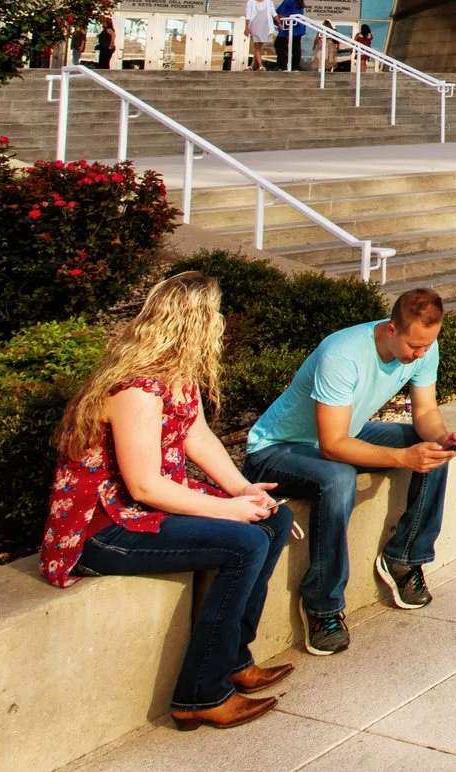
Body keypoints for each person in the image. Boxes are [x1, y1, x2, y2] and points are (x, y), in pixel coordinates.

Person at [39, 273, 295, 731]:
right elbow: (143, 487)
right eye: (215, 314)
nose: (220, 323)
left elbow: (196, 435)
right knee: (247, 543)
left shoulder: (178, 378)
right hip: (102, 530)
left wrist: (242, 491)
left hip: (141, 512)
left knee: (274, 518)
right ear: (193, 323)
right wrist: (230, 512)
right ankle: (200, 694)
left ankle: (234, 657)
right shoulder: (136, 389)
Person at [242, 288, 456, 654]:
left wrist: (441, 437)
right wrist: (404, 458)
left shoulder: (424, 345)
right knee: (338, 476)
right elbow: (332, 446)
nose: (421, 354)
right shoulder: (342, 355)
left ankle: (404, 559)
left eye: (428, 346)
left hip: (348, 433)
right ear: (391, 330)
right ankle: (322, 605)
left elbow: (424, 412)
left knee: (435, 452)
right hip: (277, 449)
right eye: (415, 346)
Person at [243, 0, 275, 74]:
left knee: (258, 47)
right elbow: (248, 16)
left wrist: (278, 22)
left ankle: (251, 66)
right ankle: (261, 66)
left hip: (264, 26)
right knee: (257, 44)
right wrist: (247, 28)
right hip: (254, 25)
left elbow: (273, 13)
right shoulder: (251, 2)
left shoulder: (268, 2)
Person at [279, 0, 307, 74]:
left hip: (291, 28)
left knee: (279, 45)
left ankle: (284, 65)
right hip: (298, 28)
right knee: (296, 47)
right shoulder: (298, 1)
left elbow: (281, 13)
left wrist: (277, 19)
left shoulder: (289, 0)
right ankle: (294, 67)